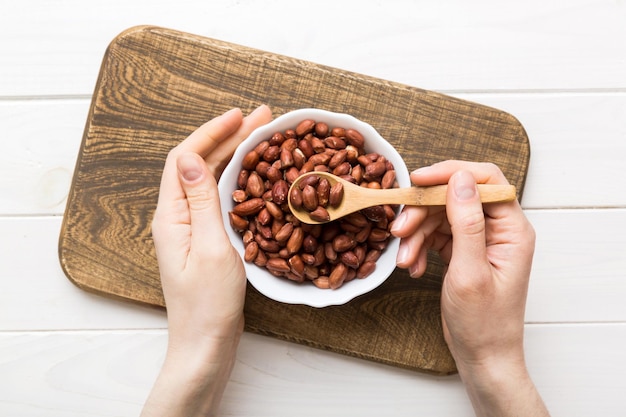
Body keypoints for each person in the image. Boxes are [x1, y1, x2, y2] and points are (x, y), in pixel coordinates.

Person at [141, 106, 550, 417]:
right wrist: (491, 361)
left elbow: (325, 244)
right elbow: (291, 240)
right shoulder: (295, 222)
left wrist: (201, 347)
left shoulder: (346, 211)